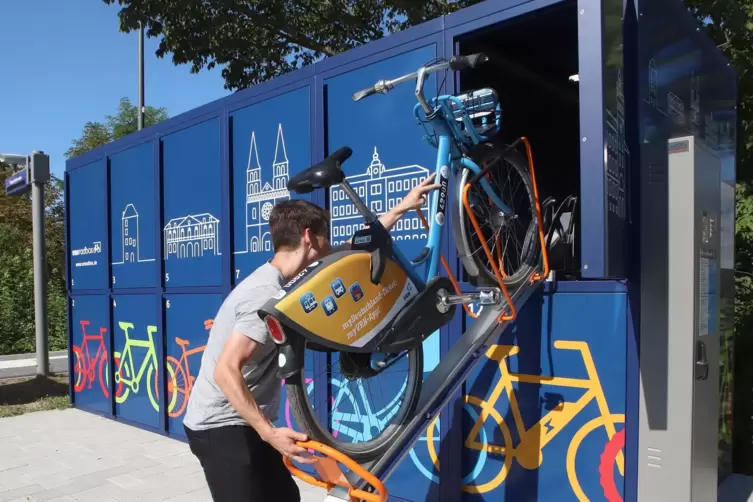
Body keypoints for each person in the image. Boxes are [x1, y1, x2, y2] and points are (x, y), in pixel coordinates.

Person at [183, 173, 440, 501]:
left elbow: (348, 251)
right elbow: (225, 370)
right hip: (221, 429)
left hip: (250, 426)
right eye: (326, 237)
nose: (331, 245)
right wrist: (270, 433)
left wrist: (401, 208)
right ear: (309, 237)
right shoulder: (266, 295)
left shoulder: (294, 282)